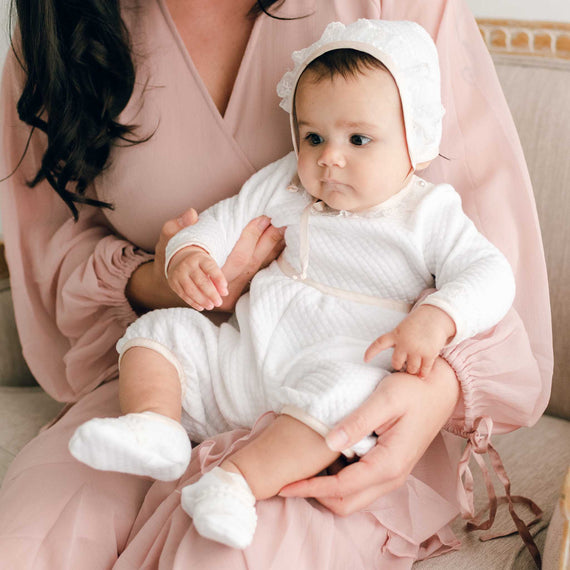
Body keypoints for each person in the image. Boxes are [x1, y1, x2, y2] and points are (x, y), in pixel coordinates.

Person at [0, 1, 551, 568]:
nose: (329, 159)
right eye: (311, 138)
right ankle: (153, 430)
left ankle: (235, 481)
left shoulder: (426, 203)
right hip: (216, 365)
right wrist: (175, 275)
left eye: (357, 141)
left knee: (218, 551)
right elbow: (60, 253)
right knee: (27, 545)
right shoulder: (61, 24)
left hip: (355, 390)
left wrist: (433, 364)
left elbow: (491, 268)